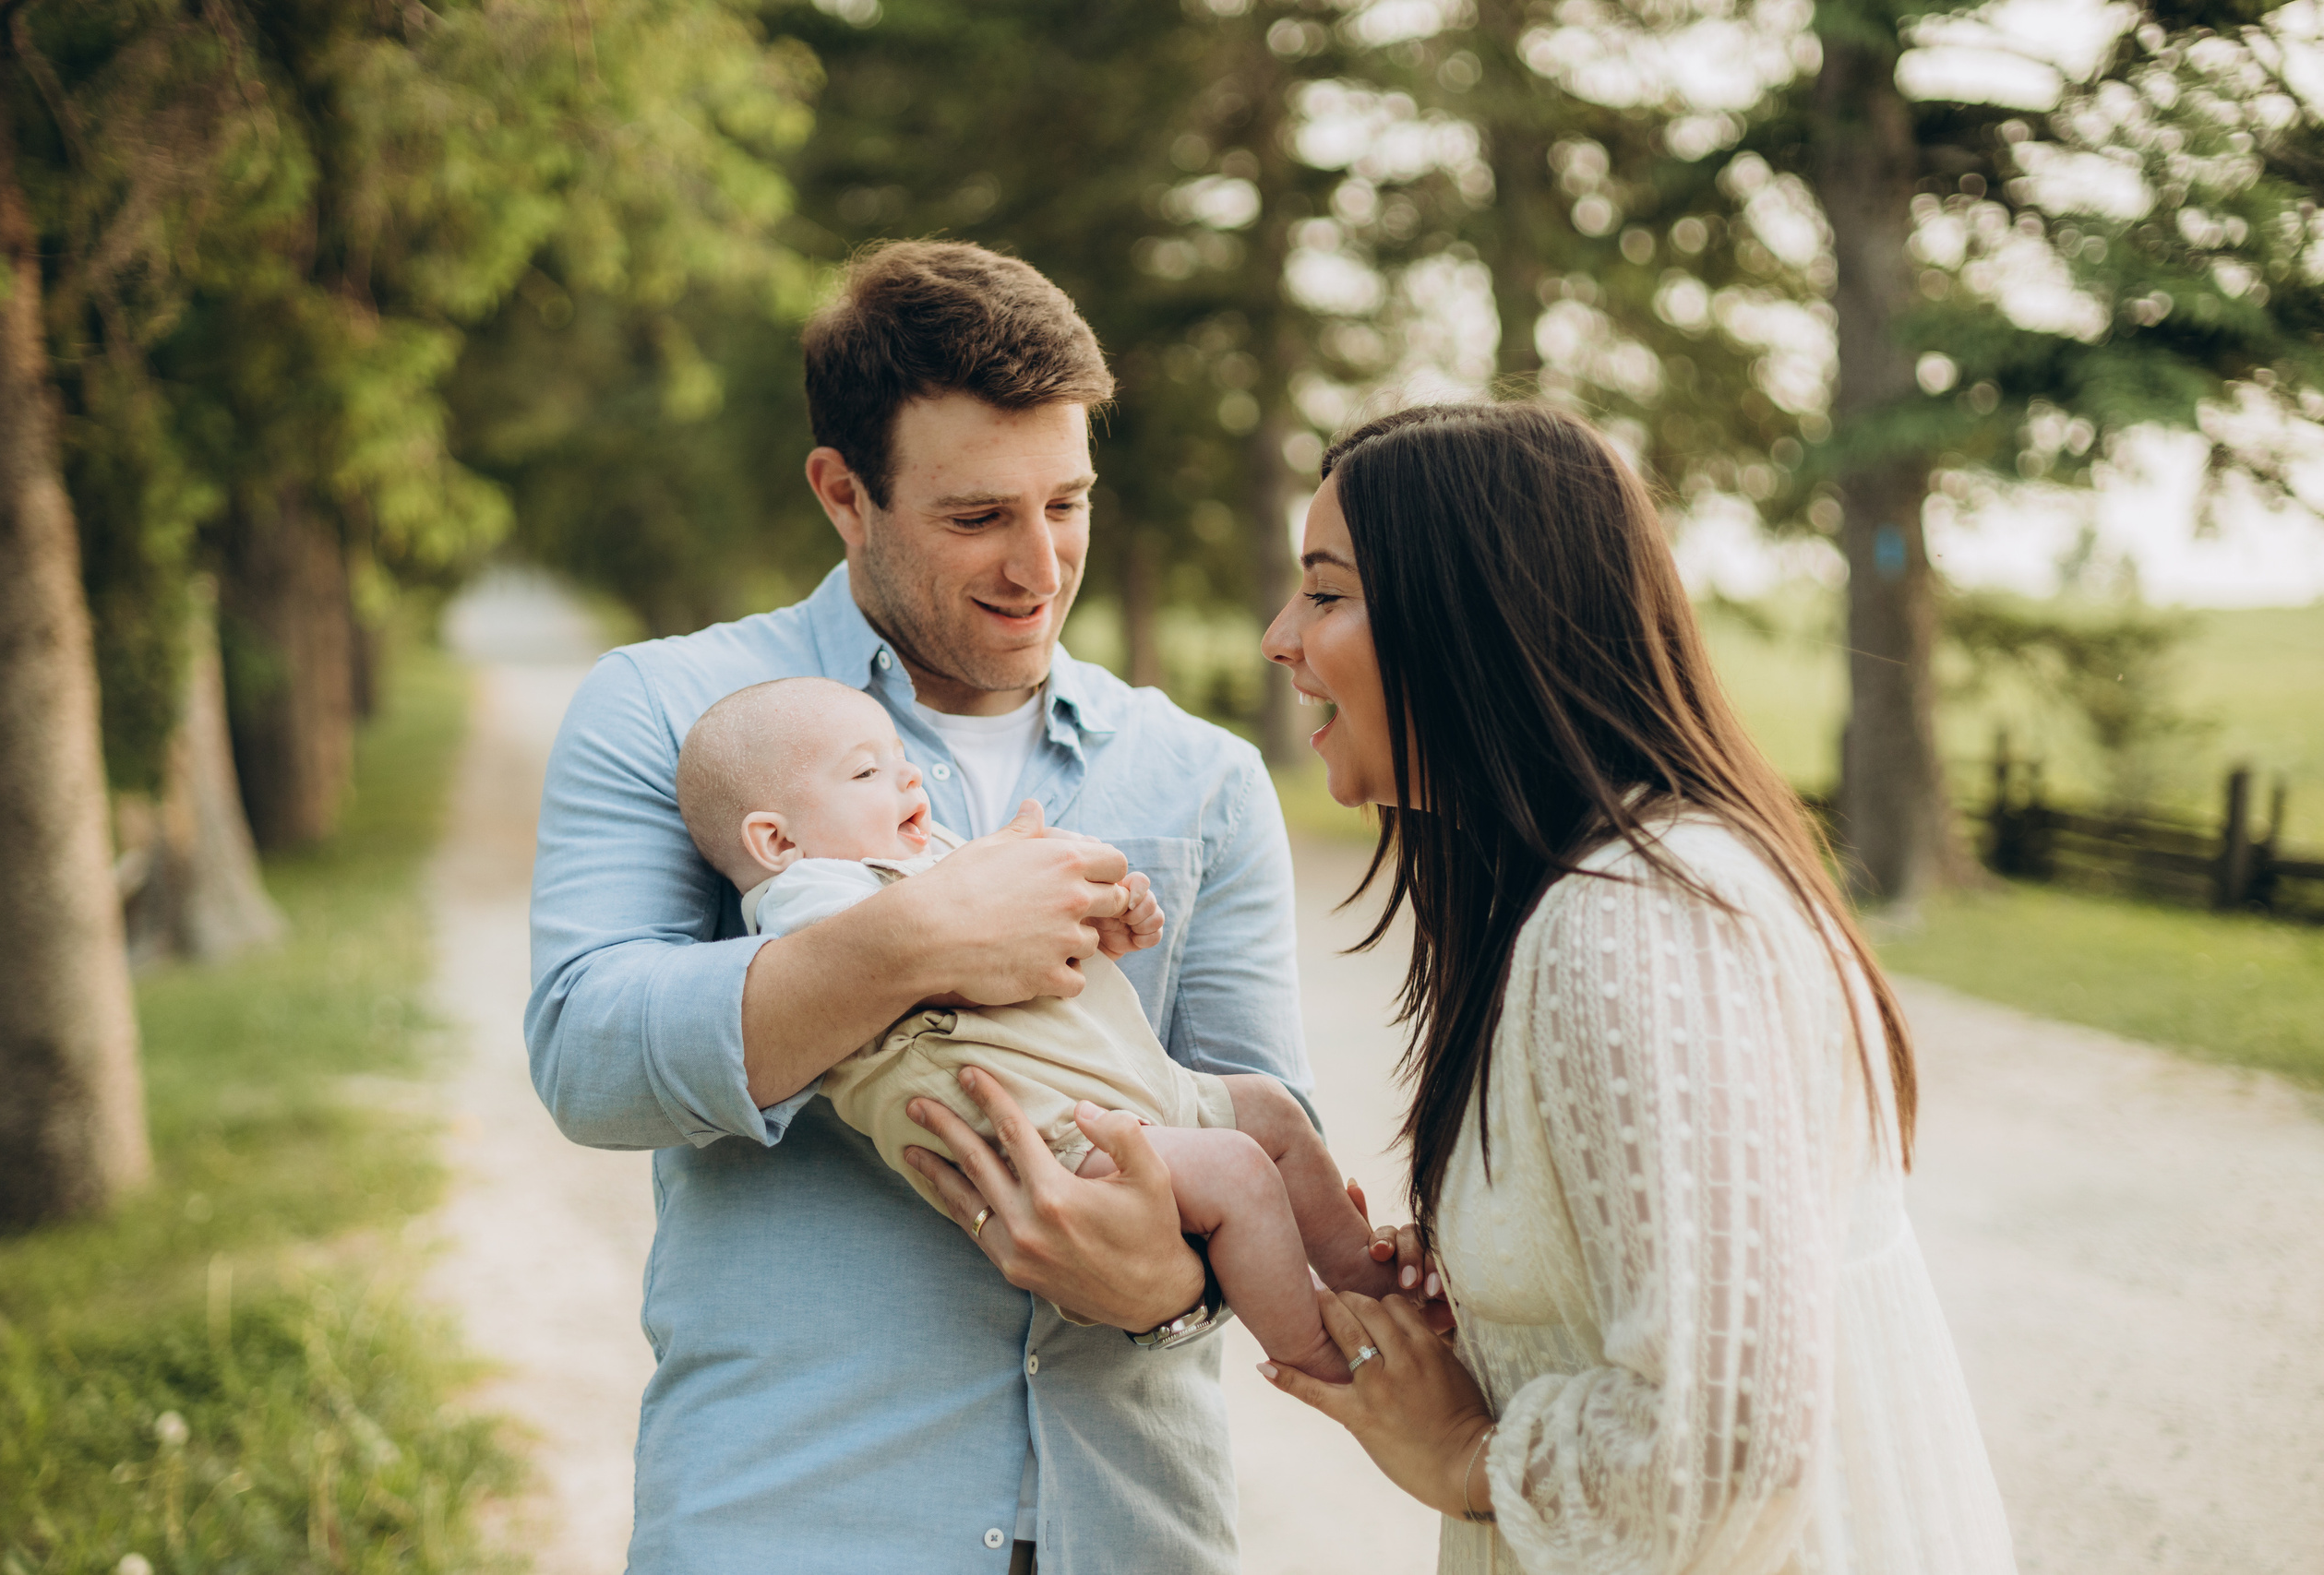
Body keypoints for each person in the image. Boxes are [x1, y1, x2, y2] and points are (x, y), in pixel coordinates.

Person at [526, 242, 1322, 1572]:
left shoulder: (1203, 777)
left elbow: (1254, 1127)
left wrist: (1168, 1288)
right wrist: (920, 935)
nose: (1037, 564)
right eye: (975, 517)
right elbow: (591, 1052)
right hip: (795, 1519)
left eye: (1066, 502)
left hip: (1127, 1526)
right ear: (844, 493)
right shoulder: (674, 713)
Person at [1254, 402, 2018, 1573]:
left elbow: (1724, 1442)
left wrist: (1465, 1455)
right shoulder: (1584, 901)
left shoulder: (1633, 922)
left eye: (1324, 593)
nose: (1278, 639)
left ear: (1472, 622)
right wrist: (1506, 1285)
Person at [673, 674, 1387, 1381]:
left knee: (1271, 1109)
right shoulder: (808, 895)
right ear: (776, 837)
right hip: (1053, 1134)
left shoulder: (921, 855)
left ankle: (1375, 1282)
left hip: (1124, 1085)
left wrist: (1095, 922)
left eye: (900, 759)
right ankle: (1329, 1363)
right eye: (867, 771)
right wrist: (990, 928)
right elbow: (908, 967)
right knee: (1239, 1172)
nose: (907, 780)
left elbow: (1024, 944)